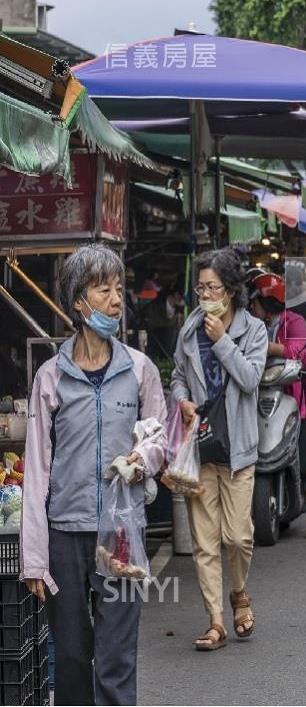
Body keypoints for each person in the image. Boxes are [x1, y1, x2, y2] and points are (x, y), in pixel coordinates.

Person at [21, 243, 167, 705]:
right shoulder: (51, 377)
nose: (116, 300)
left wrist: (143, 458)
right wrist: (34, 559)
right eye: (103, 290)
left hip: (121, 533)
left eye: (119, 289)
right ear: (78, 302)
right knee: (70, 656)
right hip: (65, 535)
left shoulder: (139, 369)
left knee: (117, 659)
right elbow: (38, 473)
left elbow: (160, 437)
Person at [170, 248, 268, 652]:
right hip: (201, 448)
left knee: (238, 537)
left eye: (212, 287)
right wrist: (181, 400)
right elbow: (178, 375)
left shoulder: (254, 330)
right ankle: (215, 621)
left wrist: (223, 341)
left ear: (231, 290)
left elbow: (249, 379)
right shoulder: (189, 330)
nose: (205, 294)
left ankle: (239, 593)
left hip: (239, 449)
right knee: (205, 541)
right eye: (200, 287)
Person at [249, 271, 306, 539]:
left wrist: (269, 348)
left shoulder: (295, 322)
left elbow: (300, 352)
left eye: (255, 303)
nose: (252, 308)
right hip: (258, 399)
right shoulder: (249, 325)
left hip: (296, 400)